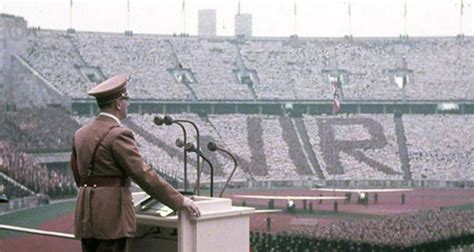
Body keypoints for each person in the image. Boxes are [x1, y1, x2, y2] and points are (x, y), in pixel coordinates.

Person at [70, 74, 200, 252]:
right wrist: (180, 201)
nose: (128, 104)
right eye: (126, 99)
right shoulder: (119, 135)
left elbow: (78, 176)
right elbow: (145, 176)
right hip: (111, 217)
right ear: (118, 103)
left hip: (86, 215)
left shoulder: (80, 134)